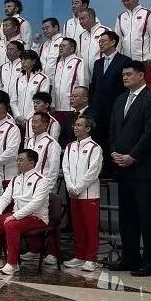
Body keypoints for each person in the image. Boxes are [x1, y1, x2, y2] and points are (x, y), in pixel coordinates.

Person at [108, 62, 151, 277]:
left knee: (148, 218)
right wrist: (113, 152)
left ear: (141, 75)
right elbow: (113, 130)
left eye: (129, 74)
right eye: (123, 74)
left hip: (147, 171)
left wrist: (133, 155)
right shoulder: (120, 100)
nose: (125, 77)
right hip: (124, 170)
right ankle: (130, 258)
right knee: (128, 218)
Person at [0, 149, 51, 275]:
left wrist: (15, 216)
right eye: (17, 160)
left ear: (32, 163)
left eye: (21, 160)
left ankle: (13, 263)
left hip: (36, 218)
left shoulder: (42, 180)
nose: (18, 163)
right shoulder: (15, 179)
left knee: (11, 224)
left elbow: (35, 203)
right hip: (17, 215)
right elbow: (5, 197)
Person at [62, 116, 103, 271]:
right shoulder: (70, 146)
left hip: (89, 194)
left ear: (88, 128)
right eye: (75, 125)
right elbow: (65, 168)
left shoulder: (95, 148)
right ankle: (79, 256)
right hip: (73, 193)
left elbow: (93, 172)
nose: (76, 127)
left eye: (80, 125)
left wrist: (78, 187)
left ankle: (91, 258)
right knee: (77, 227)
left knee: (90, 227)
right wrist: (69, 186)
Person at [88, 29, 132, 151]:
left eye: (103, 41)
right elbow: (94, 86)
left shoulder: (125, 61)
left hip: (115, 107)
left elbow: (126, 87)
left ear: (113, 42)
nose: (100, 44)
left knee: (115, 140)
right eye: (99, 42)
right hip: (98, 110)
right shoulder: (98, 63)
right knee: (99, 141)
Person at [114, 0, 151, 87]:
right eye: (123, 1)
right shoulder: (121, 17)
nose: (126, 3)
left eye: (128, 0)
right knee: (127, 88)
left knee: (146, 88)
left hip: (144, 60)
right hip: (126, 61)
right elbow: (118, 40)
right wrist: (116, 59)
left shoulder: (147, 14)